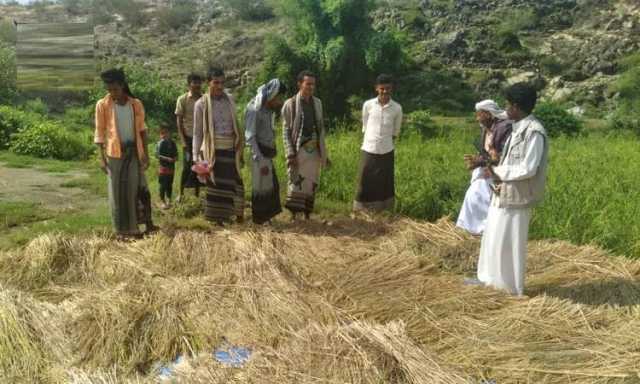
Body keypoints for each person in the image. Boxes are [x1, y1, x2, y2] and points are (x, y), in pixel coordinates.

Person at [465, 83, 549, 297]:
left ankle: (509, 288)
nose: (505, 109)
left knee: (509, 244)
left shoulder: (534, 132)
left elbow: (528, 168)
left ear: (517, 107)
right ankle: (488, 280)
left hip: (518, 197)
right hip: (503, 192)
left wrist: (497, 171)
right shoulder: (518, 127)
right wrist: (492, 169)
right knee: (493, 237)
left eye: (508, 105)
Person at [94, 68, 155, 239]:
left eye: (115, 89)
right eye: (109, 89)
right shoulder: (103, 105)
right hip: (114, 154)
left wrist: (146, 154)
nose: (112, 93)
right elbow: (99, 132)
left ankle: (135, 228)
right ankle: (120, 230)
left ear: (122, 86)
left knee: (134, 190)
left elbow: (142, 131)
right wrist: (101, 157)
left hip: (133, 153)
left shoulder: (135, 104)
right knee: (116, 193)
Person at [192, 68, 245, 225]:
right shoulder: (200, 104)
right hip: (212, 150)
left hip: (231, 148)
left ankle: (237, 216)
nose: (220, 86)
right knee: (215, 185)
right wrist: (196, 158)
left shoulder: (230, 100)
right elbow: (197, 133)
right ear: (208, 83)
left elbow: (236, 125)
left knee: (235, 183)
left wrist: (239, 148)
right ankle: (218, 220)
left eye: (222, 82)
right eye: (216, 82)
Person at [456, 100, 512, 235]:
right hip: (488, 169)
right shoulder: (485, 129)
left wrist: (480, 162)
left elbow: (502, 156)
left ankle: (484, 229)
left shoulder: (503, 128)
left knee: (477, 194)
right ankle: (474, 229)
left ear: (488, 114)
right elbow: (486, 154)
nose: (477, 118)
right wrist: (477, 161)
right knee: (474, 195)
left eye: (479, 114)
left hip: (501, 172)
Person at [282, 70, 329, 220]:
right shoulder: (290, 104)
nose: (311, 87)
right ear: (299, 84)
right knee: (296, 181)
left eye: (313, 84)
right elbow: (286, 131)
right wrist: (290, 154)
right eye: (308, 84)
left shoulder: (318, 103)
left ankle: (308, 213)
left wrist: (324, 153)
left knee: (311, 181)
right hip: (298, 149)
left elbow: (320, 128)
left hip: (314, 148)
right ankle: (294, 214)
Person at [353, 74, 403, 213]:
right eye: (382, 88)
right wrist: (373, 142)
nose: (385, 91)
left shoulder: (397, 108)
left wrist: (384, 144)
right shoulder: (368, 105)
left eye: (388, 88)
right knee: (364, 179)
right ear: (376, 88)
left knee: (384, 182)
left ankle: (383, 210)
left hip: (386, 150)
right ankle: (361, 210)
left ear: (391, 89)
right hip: (368, 148)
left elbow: (395, 132)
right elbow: (365, 125)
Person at [245, 78, 287, 224]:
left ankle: (267, 218)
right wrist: (260, 159)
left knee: (271, 186)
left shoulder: (269, 110)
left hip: (267, 153)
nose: (280, 101)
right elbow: (250, 136)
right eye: (279, 97)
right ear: (272, 94)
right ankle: (260, 220)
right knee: (261, 187)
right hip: (258, 154)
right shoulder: (254, 109)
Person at [175, 73, 203, 202]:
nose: (197, 85)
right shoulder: (183, 99)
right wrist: (183, 140)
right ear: (189, 84)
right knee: (187, 166)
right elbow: (179, 121)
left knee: (200, 166)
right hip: (188, 138)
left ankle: (197, 194)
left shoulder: (204, 99)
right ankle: (181, 194)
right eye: (194, 83)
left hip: (201, 139)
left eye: (199, 83)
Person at [156, 125, 178, 209]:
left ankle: (169, 200)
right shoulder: (160, 143)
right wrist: (167, 159)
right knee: (163, 185)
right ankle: (162, 201)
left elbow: (176, 155)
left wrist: (175, 158)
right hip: (163, 168)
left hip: (171, 168)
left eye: (166, 133)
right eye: (162, 133)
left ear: (169, 133)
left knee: (170, 184)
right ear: (160, 135)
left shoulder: (173, 143)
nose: (164, 135)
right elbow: (157, 155)